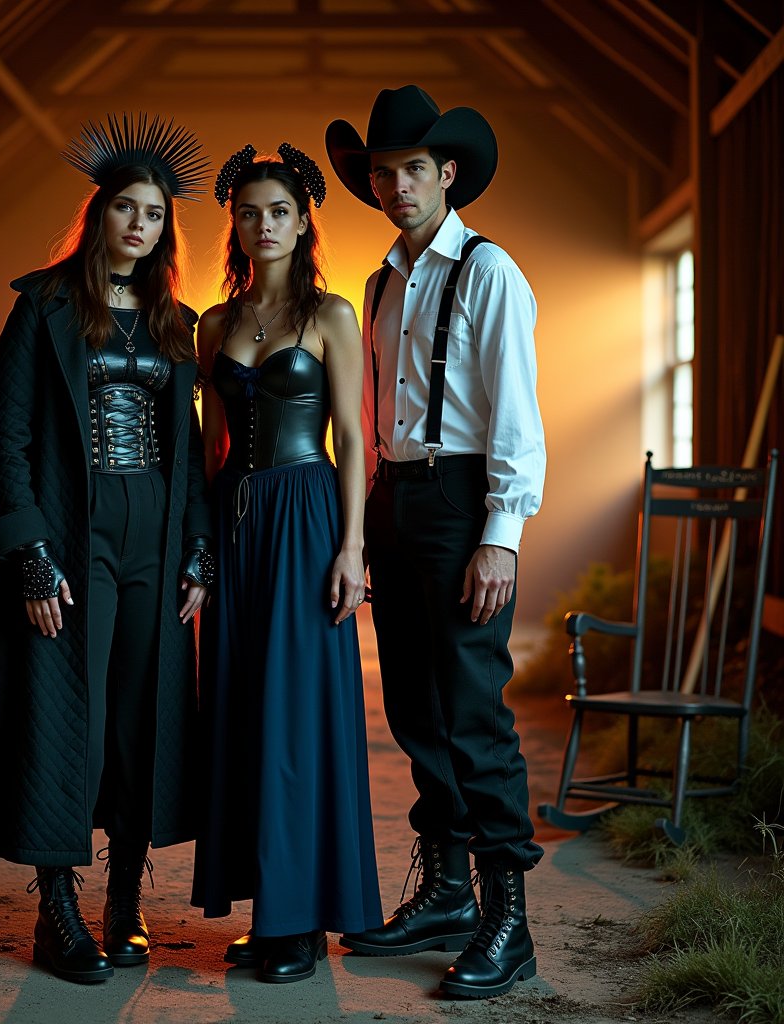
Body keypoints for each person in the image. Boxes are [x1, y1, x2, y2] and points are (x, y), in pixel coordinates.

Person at [0, 114, 214, 984]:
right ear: (98, 214)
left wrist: (199, 548)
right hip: (73, 536)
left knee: (140, 717)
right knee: (73, 722)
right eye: (127, 208)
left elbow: (192, 449)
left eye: (156, 214)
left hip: (157, 540)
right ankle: (56, 909)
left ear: (167, 229)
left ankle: (124, 903)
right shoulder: (44, 308)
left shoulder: (178, 324)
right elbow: (3, 437)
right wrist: (28, 551)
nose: (141, 224)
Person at [324, 86, 546, 999]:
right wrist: (368, 518)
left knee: (474, 712)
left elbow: (517, 420)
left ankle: (509, 921)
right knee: (415, 707)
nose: (396, 185)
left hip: (462, 505)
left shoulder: (490, 272)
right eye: (381, 172)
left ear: (446, 174)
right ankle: (450, 889)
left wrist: (501, 536)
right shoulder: (377, 283)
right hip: (395, 500)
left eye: (412, 169)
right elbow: (375, 415)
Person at [190, 144, 383, 984]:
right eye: (248, 211)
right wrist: (199, 548)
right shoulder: (212, 324)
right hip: (235, 522)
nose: (263, 224)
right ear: (233, 222)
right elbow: (208, 450)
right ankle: (267, 905)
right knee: (239, 707)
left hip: (307, 519)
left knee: (297, 716)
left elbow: (354, 444)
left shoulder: (331, 314)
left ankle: (302, 925)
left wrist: (352, 546)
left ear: (304, 222)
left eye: (279, 211)